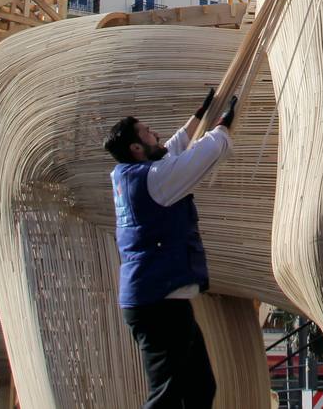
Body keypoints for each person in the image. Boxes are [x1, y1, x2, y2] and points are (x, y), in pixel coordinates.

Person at [105, 88, 238, 409]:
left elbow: (172, 147)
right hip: (157, 303)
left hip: (162, 300)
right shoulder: (156, 180)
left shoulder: (128, 175)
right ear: (136, 147)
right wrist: (223, 125)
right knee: (166, 396)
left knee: (200, 389)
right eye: (148, 132)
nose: (156, 134)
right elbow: (200, 155)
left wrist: (199, 115)